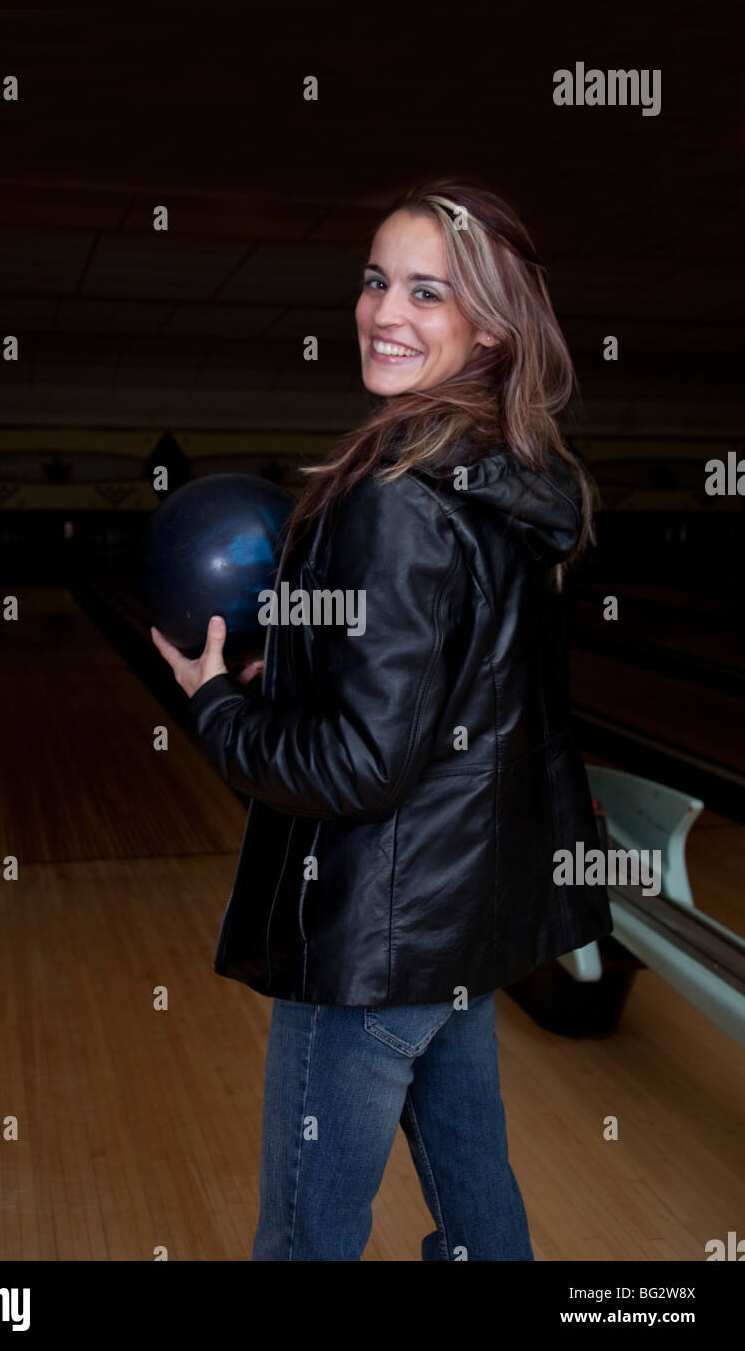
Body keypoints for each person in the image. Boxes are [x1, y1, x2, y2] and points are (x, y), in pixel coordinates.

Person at [151, 179, 613, 1262]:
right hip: (455, 922)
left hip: (367, 943)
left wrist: (215, 703)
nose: (381, 312)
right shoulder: (503, 482)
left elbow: (362, 765)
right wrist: (303, 664)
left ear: (486, 327)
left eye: (425, 292)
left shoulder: (395, 499)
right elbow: (446, 692)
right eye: (373, 282)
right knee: (478, 1200)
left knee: (305, 1234)